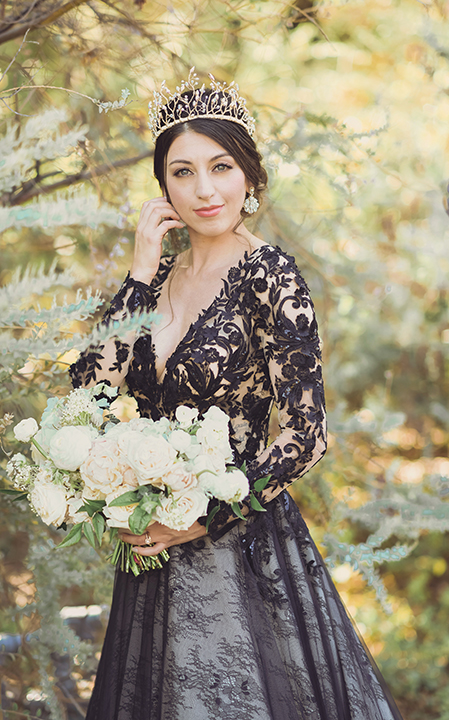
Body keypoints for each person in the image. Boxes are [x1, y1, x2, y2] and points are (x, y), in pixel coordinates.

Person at [70, 69, 403, 720]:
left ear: (248, 175)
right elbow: (89, 387)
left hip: (237, 547)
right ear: (162, 185)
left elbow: (306, 437)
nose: (204, 189)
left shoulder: (269, 276)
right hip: (151, 553)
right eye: (183, 171)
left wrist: (200, 520)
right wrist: (139, 272)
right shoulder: (159, 276)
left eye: (220, 166)